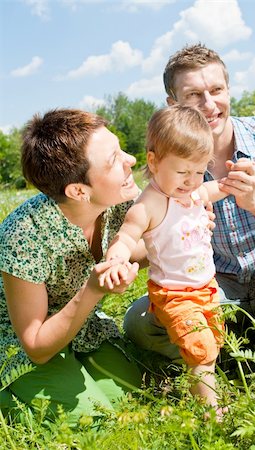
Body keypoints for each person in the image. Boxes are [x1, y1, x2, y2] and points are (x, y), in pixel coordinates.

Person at [123, 43, 255, 360]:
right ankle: (217, 352)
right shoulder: (166, 164)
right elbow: (139, 245)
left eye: (216, 89)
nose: (209, 104)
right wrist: (144, 242)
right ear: (172, 102)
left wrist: (253, 201)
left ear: (228, 90)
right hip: (214, 289)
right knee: (138, 324)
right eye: (193, 95)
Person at [100, 104, 255, 413]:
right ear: (154, 162)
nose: (191, 180)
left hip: (206, 286)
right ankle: (210, 412)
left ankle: (198, 378)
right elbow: (127, 237)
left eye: (199, 171)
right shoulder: (149, 205)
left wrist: (230, 183)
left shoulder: (193, 191)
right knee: (200, 348)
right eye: (183, 171)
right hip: (174, 293)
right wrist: (115, 260)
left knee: (213, 339)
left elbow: (213, 188)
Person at [0, 108, 144, 425]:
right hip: (19, 340)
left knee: (134, 395)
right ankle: (8, 391)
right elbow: (35, 345)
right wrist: (93, 289)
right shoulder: (25, 234)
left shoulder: (119, 201)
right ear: (78, 191)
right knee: (92, 421)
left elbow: (139, 249)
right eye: (114, 160)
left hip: (82, 325)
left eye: (121, 149)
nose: (130, 160)